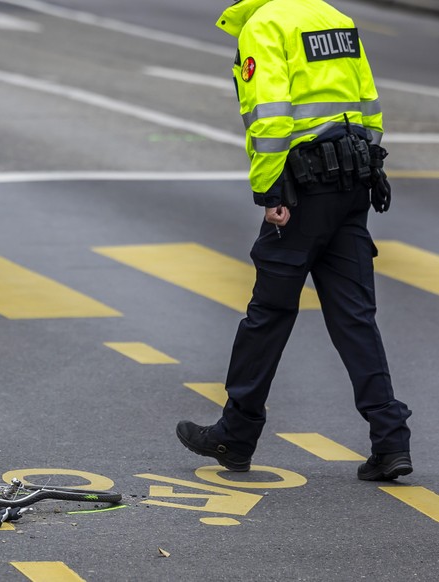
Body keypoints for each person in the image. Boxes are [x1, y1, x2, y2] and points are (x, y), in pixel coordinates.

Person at [176, 0, 413, 481]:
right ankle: (391, 440)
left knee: (268, 314)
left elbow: (270, 116)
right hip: (352, 181)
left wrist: (269, 190)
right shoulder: (335, 19)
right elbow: (368, 103)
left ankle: (235, 434)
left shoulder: (266, 24)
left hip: (304, 190)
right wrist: (371, 167)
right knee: (354, 316)